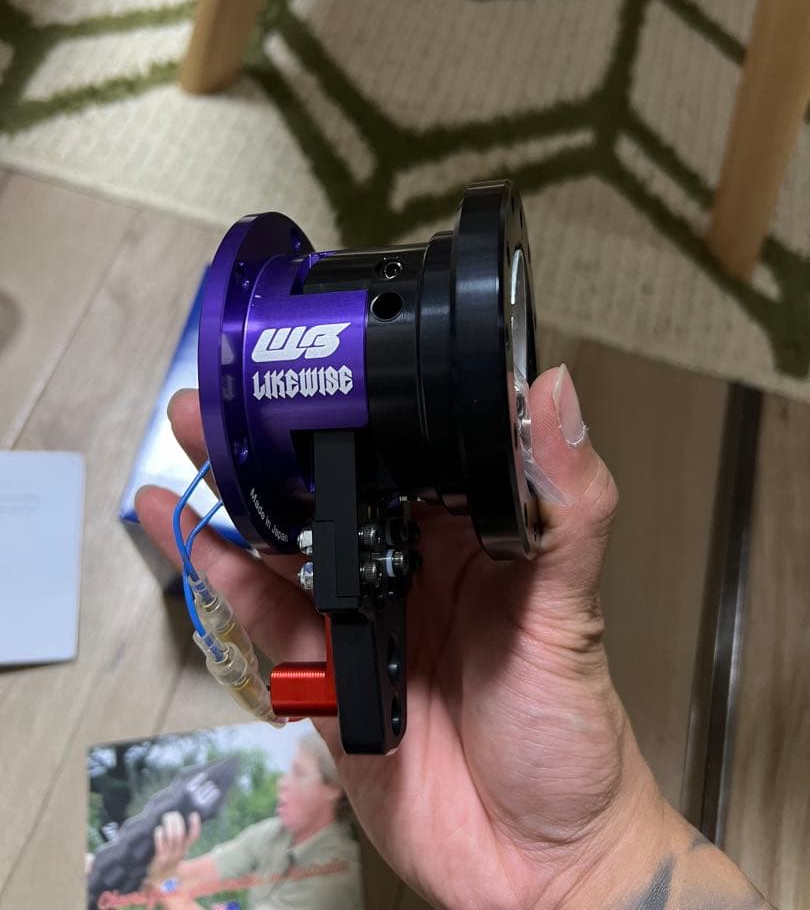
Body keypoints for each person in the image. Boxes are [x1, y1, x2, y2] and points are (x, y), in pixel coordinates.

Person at [135, 366, 776, 910]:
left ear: (332, 794)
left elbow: (183, 893)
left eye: (299, 772)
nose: (281, 785)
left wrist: (587, 860)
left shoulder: (318, 864)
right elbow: (197, 877)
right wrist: (590, 859)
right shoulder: (274, 840)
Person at [143, 733, 363, 908]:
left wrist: (167, 888)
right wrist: (161, 867)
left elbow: (168, 886)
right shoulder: (275, 833)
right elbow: (199, 873)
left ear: (333, 788)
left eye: (299, 773)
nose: (283, 783)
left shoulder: (339, 872)